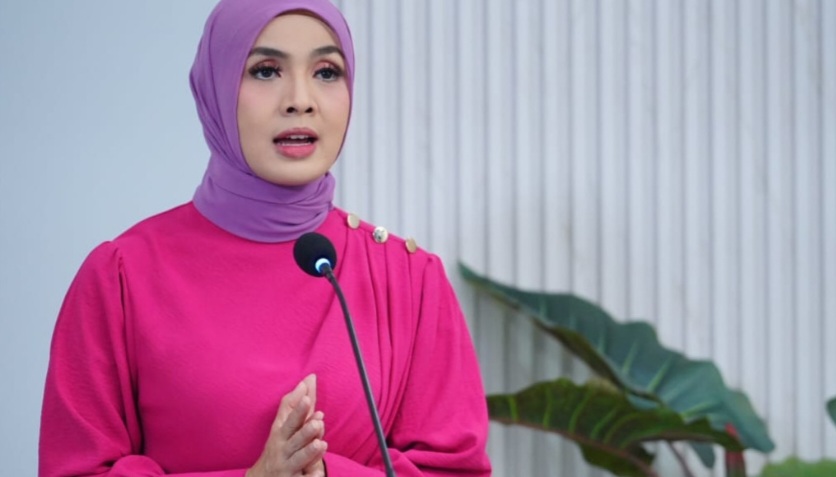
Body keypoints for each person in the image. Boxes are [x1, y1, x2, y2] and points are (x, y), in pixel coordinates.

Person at [38, 0, 492, 476]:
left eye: (326, 72)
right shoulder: (122, 277)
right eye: (266, 70)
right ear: (216, 88)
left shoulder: (408, 280)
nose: (300, 100)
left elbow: (455, 469)